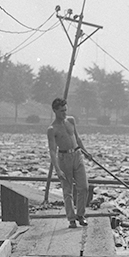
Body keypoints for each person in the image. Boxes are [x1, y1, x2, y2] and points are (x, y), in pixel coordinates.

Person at [47, 98, 90, 228]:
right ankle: (71, 219)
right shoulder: (52, 129)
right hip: (64, 158)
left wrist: (86, 152)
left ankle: (81, 215)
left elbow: (77, 138)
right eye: (61, 111)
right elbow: (53, 150)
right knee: (67, 191)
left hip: (77, 155)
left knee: (84, 187)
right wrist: (58, 170)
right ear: (55, 111)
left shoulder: (71, 121)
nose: (64, 113)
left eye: (65, 110)